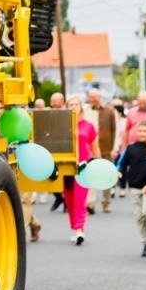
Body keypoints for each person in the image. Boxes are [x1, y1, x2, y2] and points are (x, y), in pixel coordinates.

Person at [119, 121, 146, 256]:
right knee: (139, 217)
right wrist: (119, 172)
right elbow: (122, 164)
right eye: (140, 131)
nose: (142, 133)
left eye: (145, 131)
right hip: (134, 186)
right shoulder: (131, 148)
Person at [63, 94, 96, 245]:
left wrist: (98, 164)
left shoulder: (88, 126)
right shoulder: (62, 126)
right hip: (66, 165)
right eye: (70, 104)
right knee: (69, 199)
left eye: (76, 104)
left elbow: (95, 148)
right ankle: (74, 227)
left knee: (80, 198)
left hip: (84, 165)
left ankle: (79, 230)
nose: (73, 107)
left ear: (81, 107)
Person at [85, 88, 120, 213]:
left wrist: (115, 148)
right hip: (90, 149)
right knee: (90, 175)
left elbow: (116, 130)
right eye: (91, 97)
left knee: (107, 176)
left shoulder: (110, 111)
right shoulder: (85, 111)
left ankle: (106, 202)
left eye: (95, 97)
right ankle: (90, 203)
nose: (93, 99)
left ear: (100, 97)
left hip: (106, 148)